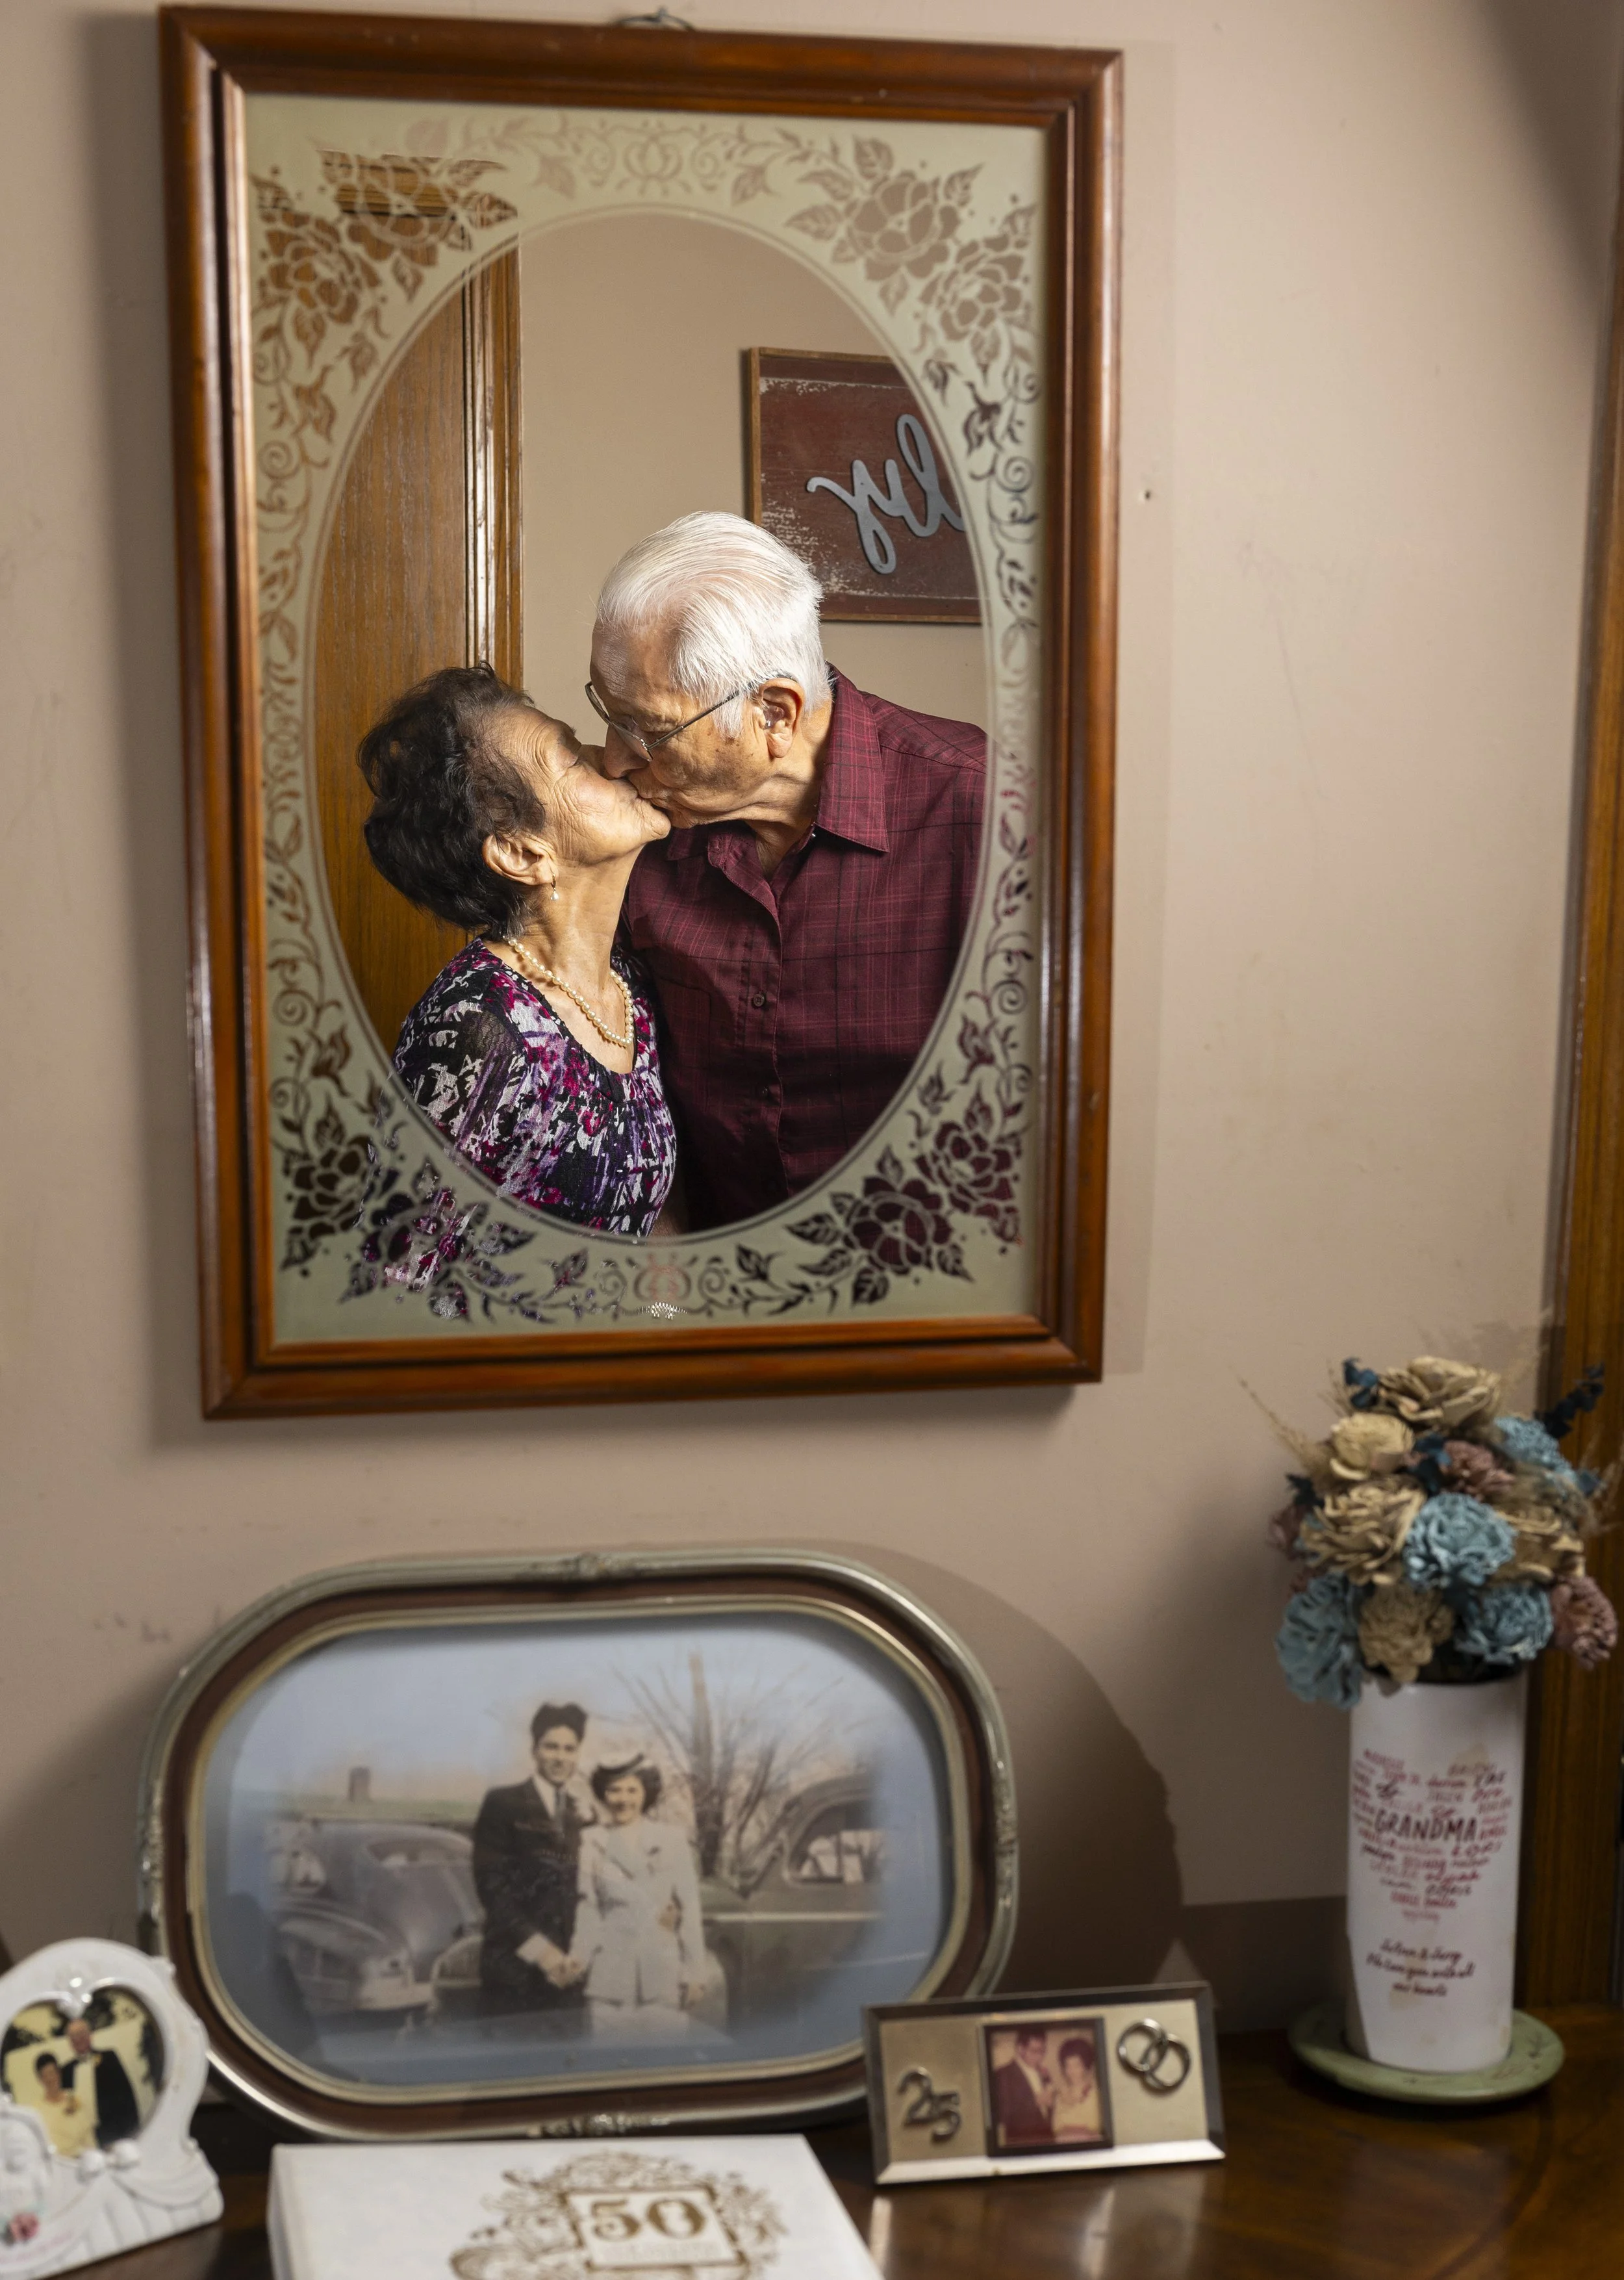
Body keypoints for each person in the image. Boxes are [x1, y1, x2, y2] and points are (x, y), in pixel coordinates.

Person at [590, 512, 985, 1230]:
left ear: (774, 713)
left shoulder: (985, 814)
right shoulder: (640, 827)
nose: (615, 761)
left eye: (646, 730)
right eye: (607, 713)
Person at [359, 665, 676, 1237]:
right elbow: (390, 1271)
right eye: (573, 760)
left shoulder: (630, 984)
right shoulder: (478, 1029)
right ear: (522, 853)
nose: (610, 760)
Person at [471, 1702, 598, 2025]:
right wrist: (542, 1953)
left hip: (569, 1975)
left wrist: (577, 1957)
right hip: (515, 1975)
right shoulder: (503, 1803)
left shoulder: (580, 1813)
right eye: (551, 1746)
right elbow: (493, 1891)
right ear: (534, 1750)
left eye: (569, 1749)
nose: (560, 1757)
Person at [568, 1758, 707, 2038]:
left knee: (664, 2060)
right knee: (610, 2059)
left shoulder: (672, 1840)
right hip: (610, 1978)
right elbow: (589, 1908)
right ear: (603, 1794)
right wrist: (578, 1958)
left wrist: (695, 1973)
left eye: (632, 1790)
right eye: (615, 1790)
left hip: (662, 1977)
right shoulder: (592, 1840)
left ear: (646, 1794)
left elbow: (690, 1909)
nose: (623, 1800)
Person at [60, 2017, 142, 2147]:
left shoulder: (109, 2058)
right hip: (84, 2140)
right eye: (74, 2036)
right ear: (70, 2042)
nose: (78, 2039)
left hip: (113, 2131)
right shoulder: (66, 2071)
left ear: (90, 2035)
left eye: (81, 2033)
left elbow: (127, 2095)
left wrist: (134, 2131)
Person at [990, 2027, 1056, 2149]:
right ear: (1020, 2049)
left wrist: (1052, 2102)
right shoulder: (1003, 2074)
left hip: (1048, 2142)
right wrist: (1035, 2102)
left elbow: (1049, 2112)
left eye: (1043, 2051)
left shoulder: (1044, 2072)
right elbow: (1002, 2115)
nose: (1040, 2057)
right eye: (1035, 2051)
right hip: (1023, 2146)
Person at [27, 2053, 95, 2160]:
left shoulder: (75, 2100)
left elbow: (88, 2137)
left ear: (59, 2073)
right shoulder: (35, 2110)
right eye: (44, 2075)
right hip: (56, 2164)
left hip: (81, 2161)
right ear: (39, 2079)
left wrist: (94, 2158)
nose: (49, 2079)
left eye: (52, 2073)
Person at [1050, 2034, 1105, 2143]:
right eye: (1068, 2066)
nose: (1071, 2071)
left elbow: (1095, 2125)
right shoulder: (1060, 2095)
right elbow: (1056, 2127)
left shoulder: (1095, 2093)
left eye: (1077, 2065)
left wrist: (1069, 2126)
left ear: (1086, 2066)